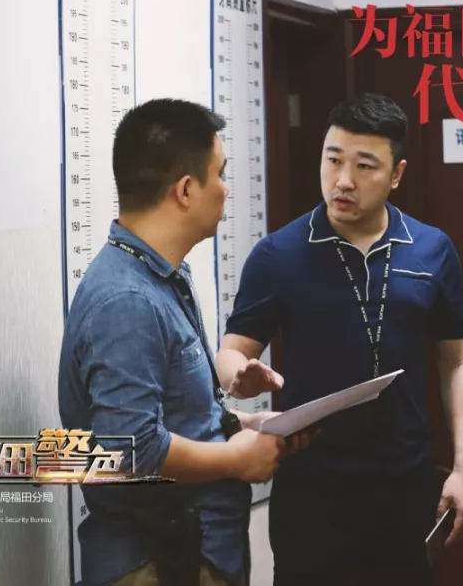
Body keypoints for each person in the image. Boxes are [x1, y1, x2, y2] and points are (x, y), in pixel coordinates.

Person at [217, 93, 463, 586]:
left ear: (396, 174)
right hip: (310, 489)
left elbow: (459, 361)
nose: (343, 180)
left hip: (405, 487)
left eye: (364, 166)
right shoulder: (278, 254)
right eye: (333, 159)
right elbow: (232, 350)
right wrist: (238, 374)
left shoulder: (432, 248)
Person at [58, 98, 307, 586]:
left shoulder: (160, 277)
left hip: (191, 555)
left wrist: (241, 425)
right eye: (221, 173)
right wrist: (237, 458)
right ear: (187, 190)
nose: (226, 188)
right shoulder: (127, 300)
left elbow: (169, 416)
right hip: (157, 564)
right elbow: (130, 451)